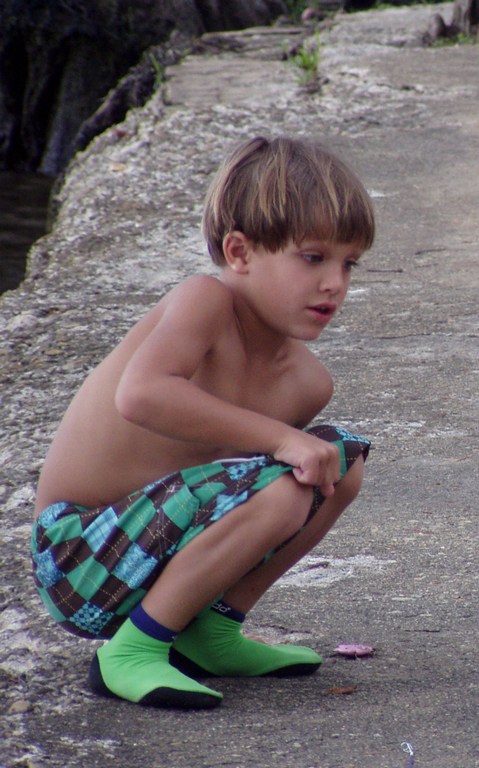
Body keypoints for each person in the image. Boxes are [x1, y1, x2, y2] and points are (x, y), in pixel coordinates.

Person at [30, 136, 375, 709]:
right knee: (284, 489)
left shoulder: (307, 382)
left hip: (160, 563)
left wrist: (293, 446)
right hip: (78, 558)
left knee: (340, 465)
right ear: (239, 252)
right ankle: (130, 652)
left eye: (349, 263)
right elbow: (141, 395)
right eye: (313, 258)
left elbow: (241, 499)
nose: (334, 282)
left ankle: (210, 631)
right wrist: (282, 438)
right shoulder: (204, 302)